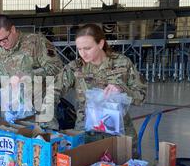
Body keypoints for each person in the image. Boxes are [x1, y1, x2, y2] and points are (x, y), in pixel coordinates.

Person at [60, 24, 147, 158]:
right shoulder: (75, 68)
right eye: (79, 49)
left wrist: (122, 90)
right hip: (87, 134)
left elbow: (141, 96)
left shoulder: (122, 63)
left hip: (119, 133)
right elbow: (52, 90)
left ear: (101, 44)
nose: (83, 53)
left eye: (88, 48)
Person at [0, 14, 63, 130]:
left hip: (40, 112)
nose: (2, 44)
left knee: (42, 144)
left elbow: (56, 67)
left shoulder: (36, 42)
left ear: (12, 29)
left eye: (4, 39)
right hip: (12, 115)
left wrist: (26, 76)